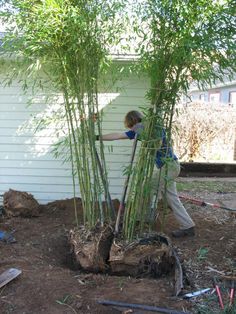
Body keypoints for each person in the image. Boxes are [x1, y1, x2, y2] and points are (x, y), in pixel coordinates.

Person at [98, 110, 195, 238]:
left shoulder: (154, 127)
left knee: (146, 187)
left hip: (170, 166)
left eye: (131, 126)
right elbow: (118, 135)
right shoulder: (139, 130)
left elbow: (158, 143)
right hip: (167, 167)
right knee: (172, 198)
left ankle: (142, 219)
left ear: (135, 121)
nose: (132, 129)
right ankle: (188, 226)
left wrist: (148, 145)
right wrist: (98, 137)